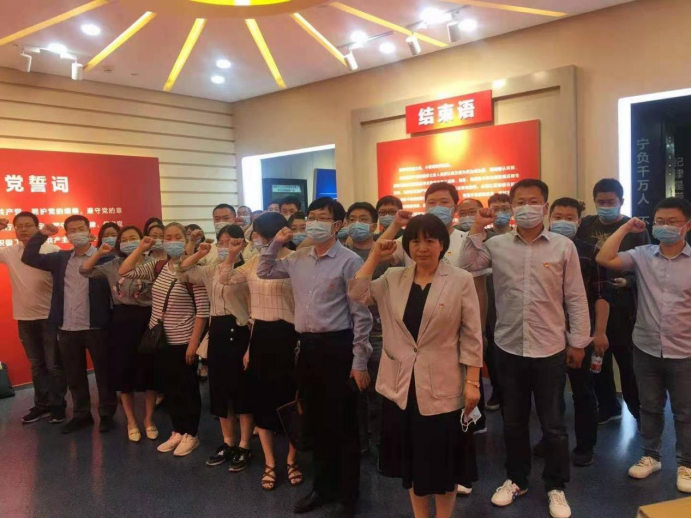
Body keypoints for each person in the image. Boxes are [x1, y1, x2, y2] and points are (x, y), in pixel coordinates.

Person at [461, 179, 591, 519]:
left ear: (545, 207)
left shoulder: (563, 246)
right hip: (509, 346)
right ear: (511, 207)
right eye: (520, 201)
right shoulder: (497, 244)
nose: (527, 207)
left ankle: (556, 485)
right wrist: (477, 228)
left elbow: (576, 297)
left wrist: (578, 342)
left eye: (534, 201)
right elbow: (467, 266)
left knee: (553, 424)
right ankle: (516, 479)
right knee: (513, 421)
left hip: (550, 347)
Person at [349, 214, 484, 519]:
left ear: (442, 245)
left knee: (443, 464)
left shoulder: (460, 279)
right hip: (401, 387)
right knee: (412, 463)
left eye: (430, 241)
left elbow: (472, 335)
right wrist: (375, 255)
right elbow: (356, 293)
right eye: (415, 241)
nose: (422, 248)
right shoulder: (393, 277)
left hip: (444, 386)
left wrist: (473, 382)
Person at [257, 197, 373, 517]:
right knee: (316, 423)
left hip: (338, 347)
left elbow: (361, 316)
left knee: (343, 425)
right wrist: (276, 242)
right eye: (311, 217)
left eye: (323, 217)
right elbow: (264, 270)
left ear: (337, 225)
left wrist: (359, 362)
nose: (315, 223)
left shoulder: (349, 261)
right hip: (307, 348)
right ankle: (323, 488)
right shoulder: (297, 258)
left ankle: (348, 496)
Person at [596, 197, 691, 495]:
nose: (665, 226)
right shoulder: (643, 255)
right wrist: (625, 228)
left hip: (685, 350)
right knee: (649, 406)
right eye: (660, 221)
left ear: (687, 226)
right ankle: (652, 456)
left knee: (685, 411)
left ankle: (686, 464)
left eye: (673, 222)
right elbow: (605, 258)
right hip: (646, 346)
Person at [217, 213, 304, 492]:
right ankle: (270, 461)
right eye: (257, 234)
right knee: (262, 400)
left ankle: (291, 459)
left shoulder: (296, 260)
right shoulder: (254, 261)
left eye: (262, 234)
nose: (259, 239)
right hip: (261, 336)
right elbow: (225, 279)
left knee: (292, 401)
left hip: (290, 335)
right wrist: (233, 253)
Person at [119, 223, 210, 457]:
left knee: (187, 388)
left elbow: (202, 311)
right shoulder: (158, 266)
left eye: (177, 236)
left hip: (184, 340)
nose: (172, 241)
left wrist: (193, 343)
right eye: (168, 237)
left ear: (186, 239)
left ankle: (191, 434)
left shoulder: (195, 270)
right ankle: (177, 430)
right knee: (169, 387)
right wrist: (141, 248)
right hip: (159, 340)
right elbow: (125, 271)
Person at [532, 198, 610, 467]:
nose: (563, 222)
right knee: (549, 392)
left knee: (583, 391)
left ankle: (586, 445)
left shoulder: (590, 251)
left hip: (580, 331)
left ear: (579, 221)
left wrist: (599, 331)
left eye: (570, 218)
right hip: (547, 332)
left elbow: (601, 294)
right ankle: (550, 439)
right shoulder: (537, 249)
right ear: (549, 217)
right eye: (558, 217)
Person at [22, 215, 117, 434]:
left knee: (104, 374)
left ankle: (106, 414)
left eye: (80, 228)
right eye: (72, 230)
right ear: (67, 235)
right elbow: (29, 257)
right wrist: (42, 234)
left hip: (97, 326)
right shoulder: (60, 258)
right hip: (67, 327)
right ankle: (82, 415)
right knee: (74, 376)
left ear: (89, 231)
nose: (76, 233)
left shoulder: (105, 257)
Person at [177, 225, 254, 472]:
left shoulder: (248, 270)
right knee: (219, 391)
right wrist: (198, 252)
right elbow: (181, 271)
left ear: (242, 244)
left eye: (232, 241)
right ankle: (228, 442)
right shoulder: (210, 269)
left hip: (240, 331)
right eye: (222, 242)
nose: (226, 246)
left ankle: (244, 444)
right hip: (217, 333)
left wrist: (250, 347)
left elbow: (253, 309)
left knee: (242, 392)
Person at [577, 178, 648, 426]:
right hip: (594, 303)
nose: (606, 206)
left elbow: (646, 265)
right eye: (601, 202)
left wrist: (627, 281)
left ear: (621, 201)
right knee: (598, 361)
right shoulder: (586, 225)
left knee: (628, 364)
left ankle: (639, 411)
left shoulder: (634, 229)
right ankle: (608, 407)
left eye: (611, 202)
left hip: (623, 308)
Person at [80, 226, 160, 443]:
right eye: (124, 239)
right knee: (124, 374)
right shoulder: (112, 265)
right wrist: (99, 252)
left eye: (133, 237)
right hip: (122, 321)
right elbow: (85, 271)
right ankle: (132, 421)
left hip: (149, 319)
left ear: (142, 239)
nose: (128, 241)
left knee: (150, 373)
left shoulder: (153, 263)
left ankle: (149, 419)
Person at [0, 213, 66, 425]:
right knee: (37, 365)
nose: (23, 229)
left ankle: (58, 405)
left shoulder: (52, 250)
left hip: (49, 317)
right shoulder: (10, 252)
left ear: (38, 228)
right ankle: (42, 405)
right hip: (24, 317)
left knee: (54, 365)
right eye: (19, 226)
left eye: (28, 225)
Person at [345, 202, 388, 457]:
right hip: (350, 332)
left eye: (363, 219)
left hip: (382, 332)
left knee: (381, 393)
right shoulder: (343, 253)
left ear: (373, 225)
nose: (357, 223)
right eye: (352, 219)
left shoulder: (387, 254)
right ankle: (360, 443)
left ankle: (383, 443)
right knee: (355, 393)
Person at [484, 193, 514, 412]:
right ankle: (497, 389)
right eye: (496, 209)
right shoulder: (482, 238)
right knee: (491, 350)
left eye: (505, 208)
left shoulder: (518, 236)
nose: (500, 213)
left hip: (512, 301)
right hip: (488, 300)